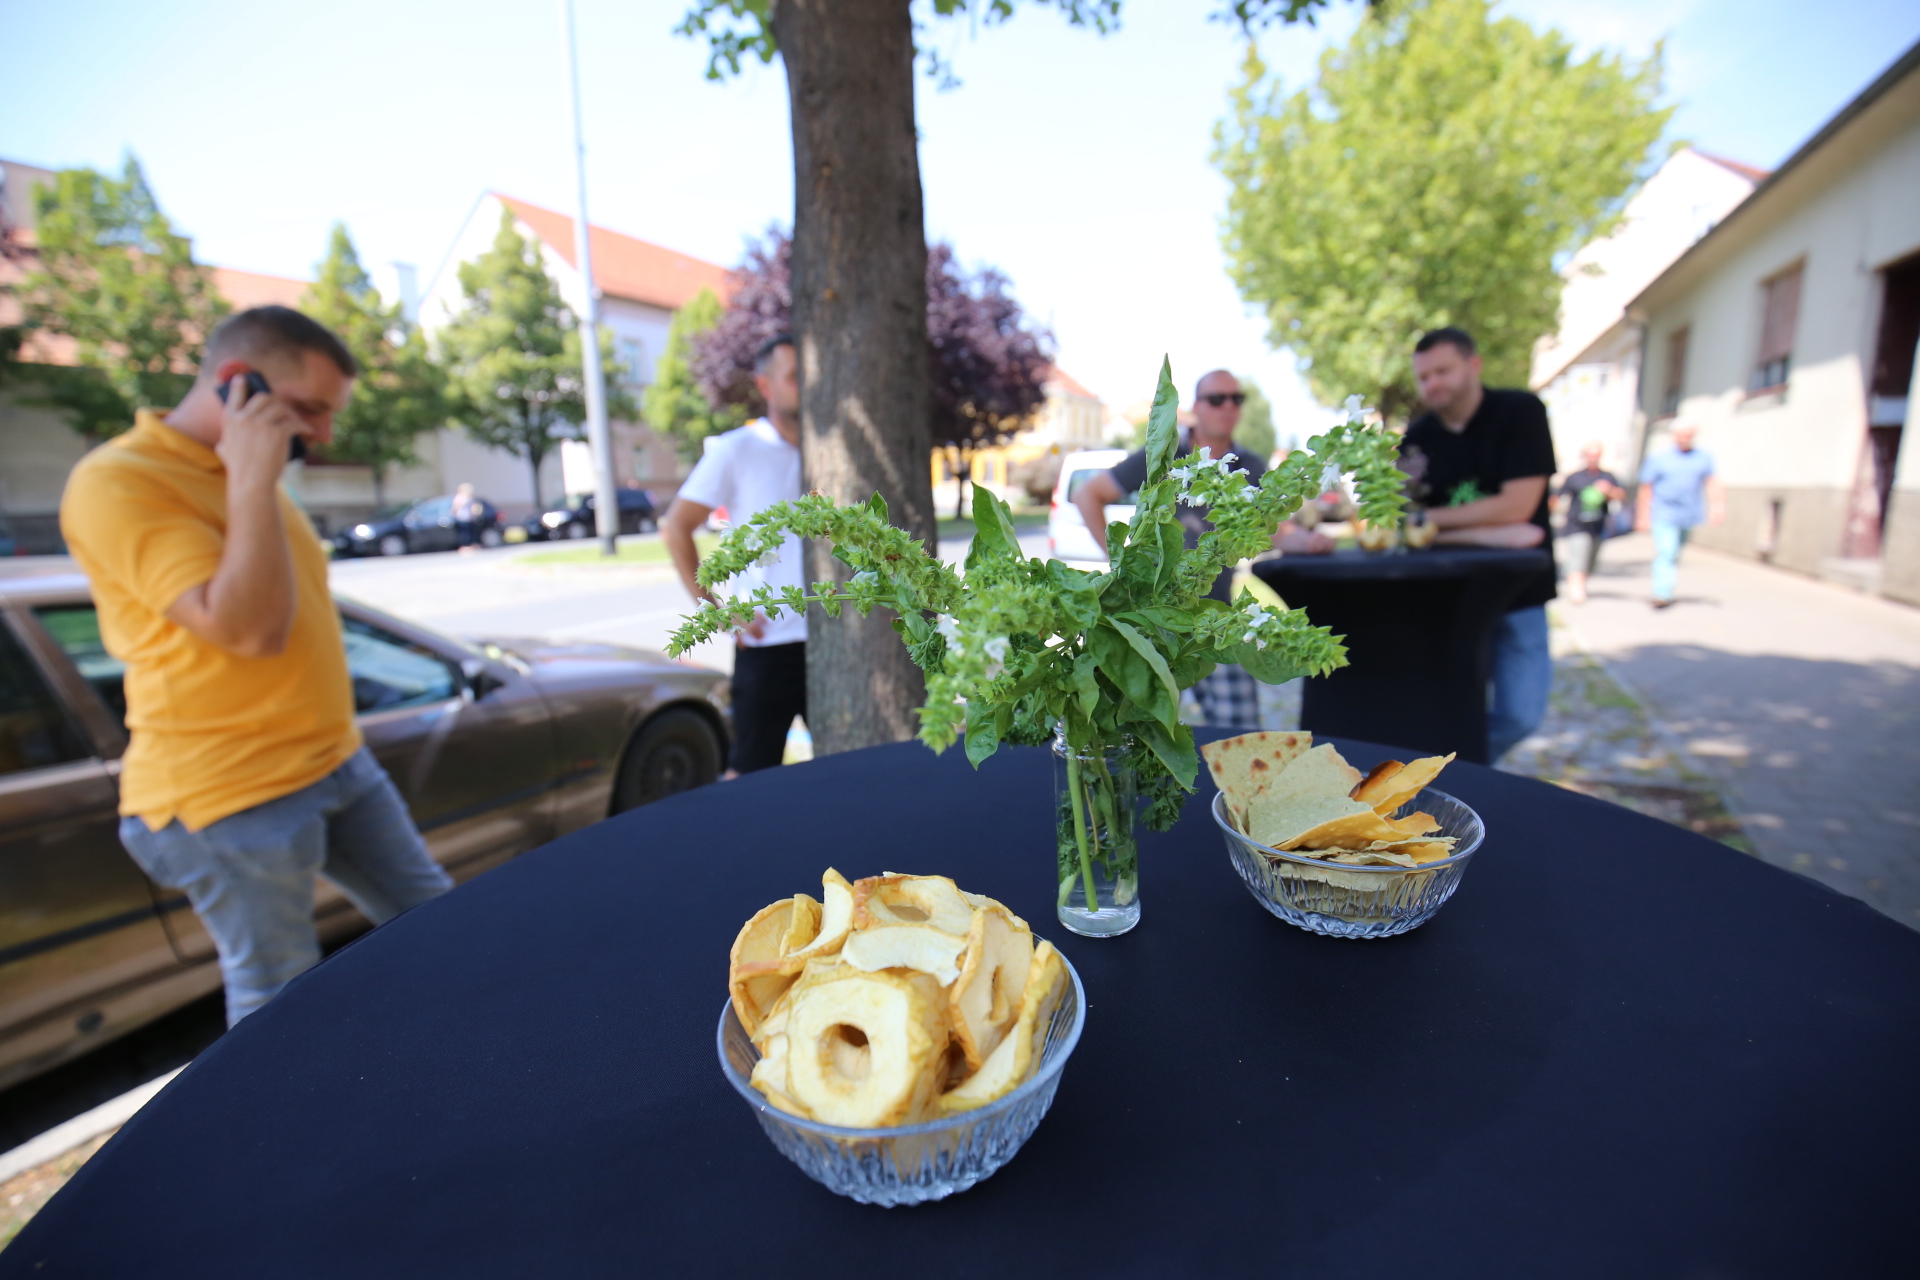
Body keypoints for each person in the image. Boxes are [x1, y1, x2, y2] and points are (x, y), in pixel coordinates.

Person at [59, 306, 452, 1026]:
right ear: (235, 384)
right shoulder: (119, 482)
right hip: (227, 792)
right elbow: (249, 632)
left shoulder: (253, 478)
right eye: (308, 410)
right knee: (277, 993)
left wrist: (251, 478)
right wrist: (249, 477)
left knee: (438, 919)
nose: (324, 435)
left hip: (333, 761)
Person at [1074, 368, 1329, 728]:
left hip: (1217, 618)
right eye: (1216, 398)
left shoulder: (1251, 465)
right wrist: (1119, 563)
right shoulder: (1164, 455)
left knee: (1236, 731)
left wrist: (1310, 541)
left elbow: (1278, 531)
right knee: (1141, 732)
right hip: (1153, 619)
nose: (1227, 406)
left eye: (1236, 399)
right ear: (1196, 406)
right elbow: (1088, 494)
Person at [1399, 327, 1558, 761]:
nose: (1433, 383)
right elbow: (1400, 522)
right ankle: (1459, 775)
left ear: (1473, 365)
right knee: (1442, 707)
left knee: (1522, 714)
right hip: (1448, 601)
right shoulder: (1417, 438)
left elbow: (1519, 508)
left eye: (1443, 370)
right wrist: (1492, 533)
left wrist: (1433, 523)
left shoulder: (1520, 412)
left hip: (1520, 594)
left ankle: (1465, 765)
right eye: (1424, 376)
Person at [664, 334, 806, 775]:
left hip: (835, 637)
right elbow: (676, 528)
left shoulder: (833, 451)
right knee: (750, 778)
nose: (807, 385)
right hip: (767, 646)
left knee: (844, 771)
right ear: (765, 386)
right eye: (795, 376)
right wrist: (718, 613)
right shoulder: (735, 450)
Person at [1636, 422, 1724, 609]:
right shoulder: (1659, 458)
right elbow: (1646, 487)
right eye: (1681, 435)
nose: (1684, 439)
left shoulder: (1703, 457)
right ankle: (1662, 593)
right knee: (1667, 551)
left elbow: (1711, 482)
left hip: (1688, 514)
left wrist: (1717, 506)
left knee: (1674, 553)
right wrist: (1643, 515)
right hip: (1663, 512)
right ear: (1674, 436)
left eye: (1688, 435)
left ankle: (1665, 588)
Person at [1554, 443, 1626, 604]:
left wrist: (1609, 491)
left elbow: (1621, 495)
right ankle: (1576, 589)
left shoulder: (1608, 476)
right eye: (1590, 455)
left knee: (1590, 560)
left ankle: (1579, 583)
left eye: (1596, 455)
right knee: (1578, 554)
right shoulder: (1574, 477)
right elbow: (1558, 497)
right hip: (1576, 524)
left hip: (1598, 525)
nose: (1593, 458)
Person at [451, 482, 480, 550]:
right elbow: (456, 507)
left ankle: (470, 545)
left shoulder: (468, 497)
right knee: (464, 533)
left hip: (469, 518)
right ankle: (465, 546)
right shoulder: (460, 497)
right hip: (462, 518)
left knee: (470, 532)